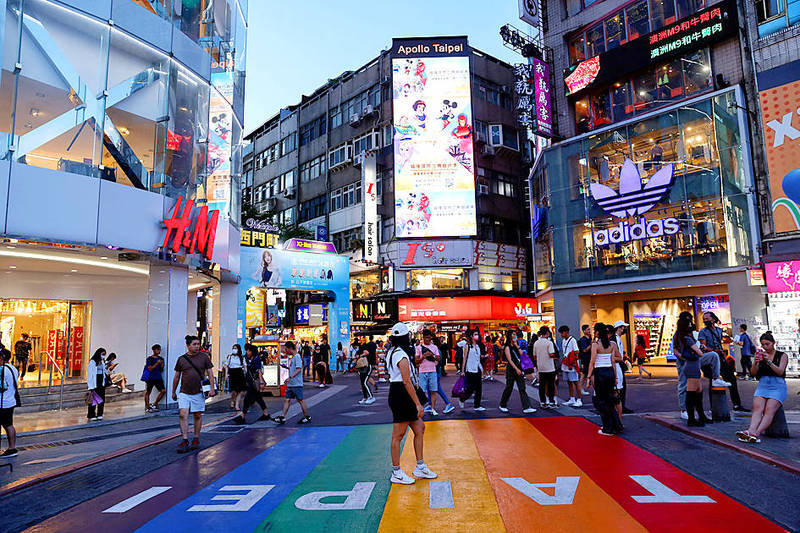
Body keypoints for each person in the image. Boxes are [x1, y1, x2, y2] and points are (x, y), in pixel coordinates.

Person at [386, 322, 437, 484]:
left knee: (419, 428)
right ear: (404, 337)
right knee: (398, 435)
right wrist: (418, 404)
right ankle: (396, 472)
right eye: (407, 335)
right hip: (401, 393)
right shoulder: (399, 354)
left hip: (401, 392)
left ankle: (420, 466)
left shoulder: (395, 351)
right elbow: (406, 381)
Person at [737, 331, 788, 443]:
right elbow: (753, 373)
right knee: (757, 409)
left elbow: (780, 372)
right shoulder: (760, 355)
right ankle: (750, 431)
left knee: (769, 410)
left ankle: (757, 433)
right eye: (763, 344)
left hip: (777, 386)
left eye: (767, 344)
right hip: (763, 384)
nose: (765, 347)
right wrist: (755, 362)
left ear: (773, 343)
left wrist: (769, 361)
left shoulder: (782, 355)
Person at [172, 335, 216, 453]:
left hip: (199, 392)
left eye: (198, 344)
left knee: (197, 415)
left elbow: (210, 373)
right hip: (184, 392)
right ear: (188, 346)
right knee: (183, 414)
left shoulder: (204, 357)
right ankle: (184, 439)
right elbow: (177, 377)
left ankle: (196, 438)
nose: (197, 346)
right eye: (194, 344)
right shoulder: (181, 359)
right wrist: (173, 391)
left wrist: (212, 388)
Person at [699, 312, 747, 412]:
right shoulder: (703, 332)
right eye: (704, 319)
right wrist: (712, 351)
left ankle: (737, 405)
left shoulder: (719, 330)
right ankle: (714, 408)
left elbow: (723, 341)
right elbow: (703, 346)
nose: (705, 320)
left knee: (731, 379)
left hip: (721, 358)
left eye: (707, 318)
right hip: (711, 359)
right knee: (713, 382)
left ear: (713, 319)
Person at [674, 316, 711, 427]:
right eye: (690, 324)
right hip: (692, 365)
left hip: (691, 365)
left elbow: (677, 351)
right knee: (691, 392)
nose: (692, 325)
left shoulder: (679, 337)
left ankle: (700, 416)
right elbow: (699, 353)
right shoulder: (687, 338)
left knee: (698, 390)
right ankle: (692, 418)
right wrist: (701, 350)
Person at [587, 323, 623, 435]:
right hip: (610, 372)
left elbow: (592, 362)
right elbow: (613, 361)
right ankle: (616, 425)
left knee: (601, 401)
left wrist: (588, 377)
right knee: (610, 400)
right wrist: (615, 376)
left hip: (600, 372)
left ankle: (608, 428)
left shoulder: (596, 345)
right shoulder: (612, 344)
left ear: (598, 333)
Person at [233, 344, 273, 425]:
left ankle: (243, 416)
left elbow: (259, 371)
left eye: (249, 350)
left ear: (252, 351)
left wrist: (261, 382)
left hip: (254, 382)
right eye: (247, 350)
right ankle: (265, 414)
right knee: (258, 398)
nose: (247, 352)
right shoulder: (247, 358)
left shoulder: (256, 359)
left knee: (247, 399)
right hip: (249, 381)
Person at [274, 341, 311, 424]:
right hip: (291, 384)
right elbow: (294, 369)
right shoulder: (294, 357)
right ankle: (282, 417)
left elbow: (298, 369)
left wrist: (290, 377)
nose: (286, 351)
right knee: (287, 399)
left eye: (286, 349)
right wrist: (287, 367)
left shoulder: (297, 357)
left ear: (290, 348)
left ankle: (307, 416)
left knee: (300, 400)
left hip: (296, 384)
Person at [499, 330, 536, 414]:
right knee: (509, 387)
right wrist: (516, 369)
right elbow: (510, 360)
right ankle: (502, 404)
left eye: (515, 334)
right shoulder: (507, 347)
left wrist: (516, 345)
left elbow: (522, 354)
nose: (515, 336)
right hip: (512, 369)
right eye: (514, 334)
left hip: (519, 367)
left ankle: (526, 407)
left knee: (522, 388)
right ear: (510, 336)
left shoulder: (516, 345)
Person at [459, 329, 485, 411]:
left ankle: (477, 405)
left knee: (479, 388)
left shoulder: (478, 346)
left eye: (478, 334)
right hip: (470, 369)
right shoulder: (468, 346)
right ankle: (462, 398)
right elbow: (464, 359)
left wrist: (482, 370)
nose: (477, 336)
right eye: (475, 334)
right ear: (471, 336)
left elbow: (478, 358)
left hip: (478, 369)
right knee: (471, 388)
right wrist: (462, 371)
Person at [0, 349, 20, 457]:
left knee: (7, 425)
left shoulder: (1, 369)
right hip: (10, 401)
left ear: (2, 358)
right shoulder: (13, 369)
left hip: (2, 402)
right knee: (9, 425)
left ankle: (11, 449)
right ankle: (12, 448)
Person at [533, 326, 557, 408]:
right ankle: (551, 401)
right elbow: (551, 354)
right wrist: (554, 356)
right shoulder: (549, 343)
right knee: (551, 385)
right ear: (547, 333)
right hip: (550, 367)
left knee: (542, 386)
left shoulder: (536, 343)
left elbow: (534, 356)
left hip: (541, 367)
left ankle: (542, 402)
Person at [558, 326, 582, 407]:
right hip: (565, 364)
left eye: (562, 333)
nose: (561, 334)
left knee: (575, 381)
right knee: (569, 382)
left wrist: (571, 359)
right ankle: (572, 398)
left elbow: (576, 351)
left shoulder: (573, 340)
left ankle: (579, 399)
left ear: (566, 332)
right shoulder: (563, 341)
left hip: (572, 364)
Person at [613, 321, 633, 414]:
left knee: (622, 386)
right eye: (623, 327)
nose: (624, 329)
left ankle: (621, 406)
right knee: (620, 386)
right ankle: (620, 406)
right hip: (618, 363)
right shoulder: (615, 339)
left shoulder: (618, 338)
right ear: (619, 328)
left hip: (619, 362)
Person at [223, 344, 246, 411]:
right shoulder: (230, 357)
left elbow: (244, 366)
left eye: (236, 348)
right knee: (233, 391)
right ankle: (232, 400)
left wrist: (246, 373)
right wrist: (226, 374)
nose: (234, 349)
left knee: (240, 390)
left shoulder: (242, 357)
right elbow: (226, 365)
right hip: (232, 373)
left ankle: (237, 405)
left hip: (240, 373)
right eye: (233, 348)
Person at [144, 344, 166, 413]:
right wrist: (157, 363)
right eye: (157, 349)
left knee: (163, 391)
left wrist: (162, 365)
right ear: (154, 350)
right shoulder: (149, 359)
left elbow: (161, 369)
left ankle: (155, 404)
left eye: (159, 349)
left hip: (158, 377)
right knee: (148, 392)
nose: (159, 351)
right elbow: (150, 368)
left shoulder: (161, 358)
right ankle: (147, 407)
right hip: (150, 377)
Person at [87, 348, 108, 422]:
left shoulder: (102, 361)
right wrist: (90, 386)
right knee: (94, 399)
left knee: (101, 399)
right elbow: (90, 375)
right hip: (95, 382)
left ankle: (100, 414)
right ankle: (91, 414)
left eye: (104, 355)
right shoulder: (92, 362)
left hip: (101, 382)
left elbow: (104, 371)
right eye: (102, 354)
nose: (103, 356)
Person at [577, 325, 593, 395]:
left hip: (589, 358)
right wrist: (591, 345)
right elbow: (584, 350)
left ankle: (581, 389)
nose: (589, 331)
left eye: (589, 329)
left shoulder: (590, 338)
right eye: (588, 329)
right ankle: (580, 389)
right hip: (586, 359)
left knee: (586, 374)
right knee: (584, 375)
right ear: (584, 331)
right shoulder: (583, 340)